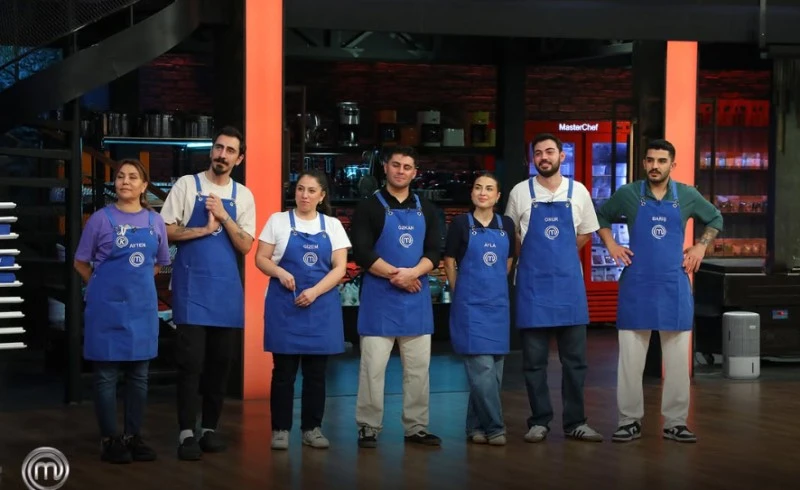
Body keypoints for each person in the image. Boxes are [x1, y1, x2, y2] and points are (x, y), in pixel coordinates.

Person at [597, 138, 723, 444]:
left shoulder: (687, 195)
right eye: (650, 160)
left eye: (662, 161)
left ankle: (676, 423)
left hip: (673, 285)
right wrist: (611, 244)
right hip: (637, 285)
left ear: (672, 165)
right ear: (643, 163)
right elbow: (600, 216)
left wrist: (700, 246)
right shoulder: (629, 193)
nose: (655, 166)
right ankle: (628, 421)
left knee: (678, 363)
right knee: (630, 362)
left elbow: (715, 218)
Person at [159, 126, 256, 460]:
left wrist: (224, 216)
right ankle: (186, 432)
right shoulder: (187, 185)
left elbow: (246, 245)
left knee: (220, 365)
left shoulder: (244, 196)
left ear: (239, 159)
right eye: (219, 147)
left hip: (226, 292)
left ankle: (210, 429)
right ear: (211, 150)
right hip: (192, 289)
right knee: (190, 364)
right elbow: (165, 231)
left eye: (230, 151)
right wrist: (203, 229)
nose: (222, 155)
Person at [504, 132, 604, 443]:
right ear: (532, 159)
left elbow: (586, 232)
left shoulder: (579, 191)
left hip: (569, 288)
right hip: (532, 287)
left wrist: (562, 256)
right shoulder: (520, 192)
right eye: (538, 153)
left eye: (549, 151)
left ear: (562, 156)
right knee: (533, 362)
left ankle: (575, 422)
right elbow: (512, 234)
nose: (543, 157)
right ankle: (539, 421)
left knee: (575, 362)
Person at [74, 159, 171, 464]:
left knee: (139, 375)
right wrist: (101, 286)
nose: (125, 181)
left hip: (142, 309)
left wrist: (134, 287)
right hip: (105, 310)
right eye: (120, 177)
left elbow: (159, 263)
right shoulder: (99, 220)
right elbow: (80, 262)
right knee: (105, 376)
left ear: (144, 186)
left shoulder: (155, 222)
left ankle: (133, 436)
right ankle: (109, 439)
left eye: (132, 177)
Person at [350, 146, 442, 448]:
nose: (401, 171)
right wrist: (398, 276)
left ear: (415, 173)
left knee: (418, 370)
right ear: (386, 168)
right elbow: (362, 252)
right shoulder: (368, 207)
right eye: (396, 165)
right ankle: (368, 426)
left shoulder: (427, 209)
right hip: (379, 300)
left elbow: (434, 252)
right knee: (372, 369)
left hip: (415, 300)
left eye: (407, 167)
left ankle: (416, 427)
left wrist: (412, 274)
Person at [255, 170, 351, 450]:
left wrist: (315, 291)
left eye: (311, 191)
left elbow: (340, 268)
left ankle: (312, 429)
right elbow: (261, 258)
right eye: (300, 189)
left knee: (316, 374)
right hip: (285, 307)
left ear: (322, 196)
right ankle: (280, 430)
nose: (304, 195)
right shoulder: (278, 221)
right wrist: (280, 272)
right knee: (283, 373)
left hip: (321, 308)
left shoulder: (332, 225)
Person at [443, 172, 515, 446]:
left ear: (498, 196)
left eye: (489, 189)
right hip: (470, 306)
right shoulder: (461, 224)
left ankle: (475, 427)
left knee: (493, 372)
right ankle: (496, 428)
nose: (483, 192)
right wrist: (458, 290)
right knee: (482, 369)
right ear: (472, 193)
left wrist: (493, 285)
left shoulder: (506, 224)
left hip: (498, 305)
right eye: (478, 187)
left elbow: (509, 260)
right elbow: (449, 260)